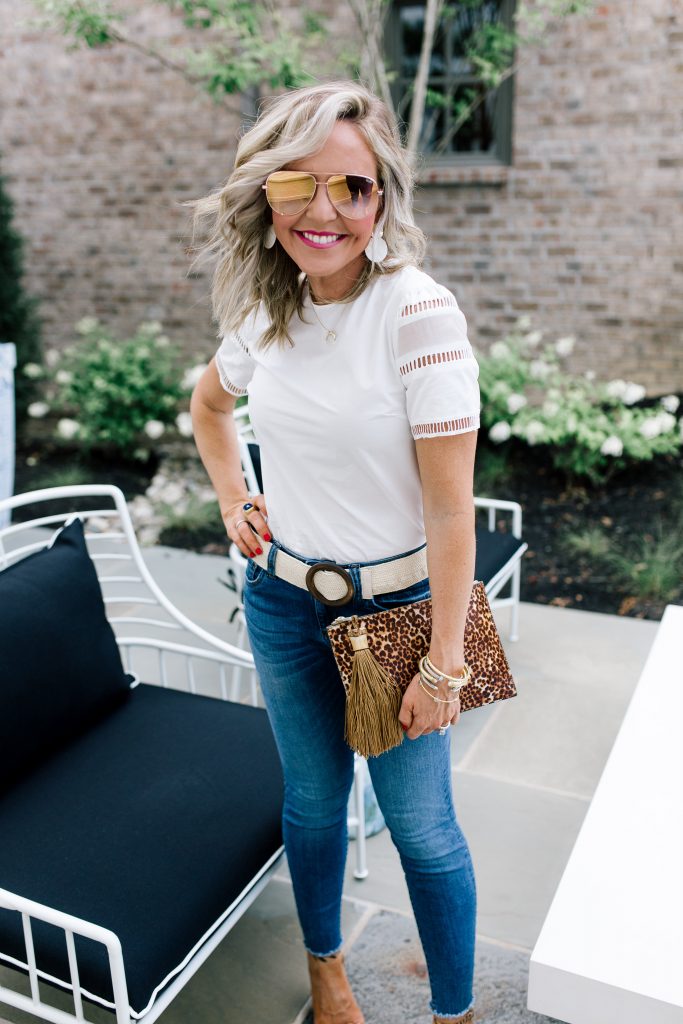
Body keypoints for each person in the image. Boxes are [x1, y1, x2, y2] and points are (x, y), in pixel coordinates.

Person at [190, 81, 480, 1024]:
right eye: (296, 187)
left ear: (381, 200)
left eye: (350, 188)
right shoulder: (265, 314)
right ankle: (326, 972)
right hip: (279, 598)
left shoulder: (417, 315)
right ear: (264, 198)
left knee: (422, 831)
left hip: (394, 614)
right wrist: (236, 498)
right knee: (313, 805)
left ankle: (454, 1013)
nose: (324, 211)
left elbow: (448, 513)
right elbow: (209, 408)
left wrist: (445, 663)